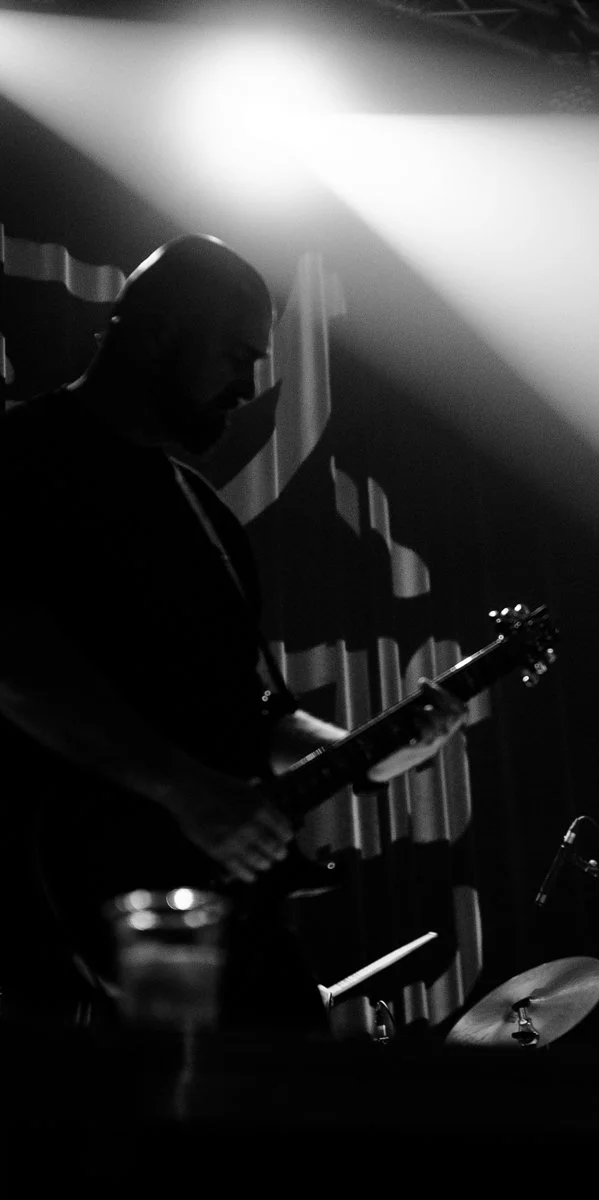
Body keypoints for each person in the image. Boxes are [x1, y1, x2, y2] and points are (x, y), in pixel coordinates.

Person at [0, 235, 462, 1033]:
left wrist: (368, 746)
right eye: (236, 355)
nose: (250, 386)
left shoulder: (205, 515)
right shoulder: (21, 458)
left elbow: (255, 712)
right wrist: (183, 788)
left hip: (219, 916)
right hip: (46, 916)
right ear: (154, 331)